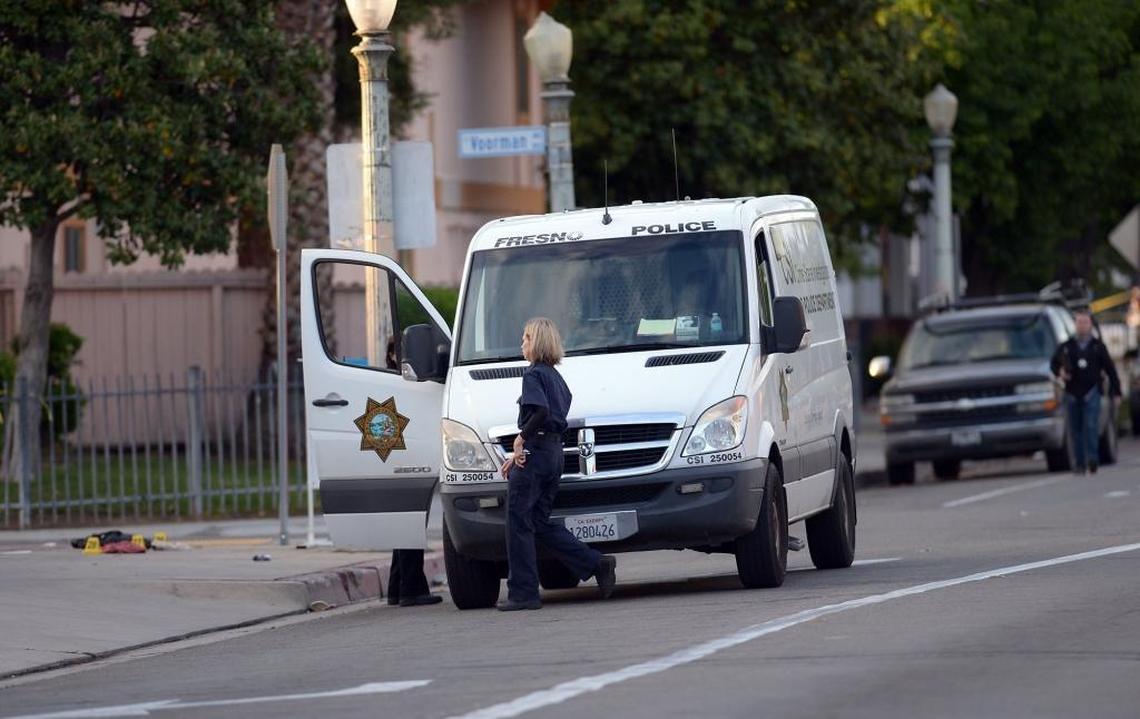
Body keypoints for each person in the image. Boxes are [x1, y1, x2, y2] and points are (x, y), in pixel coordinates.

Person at [497, 317, 617, 611]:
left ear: (536, 342)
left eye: (526, 338)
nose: (522, 344)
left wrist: (520, 441)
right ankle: (596, 563)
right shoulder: (556, 377)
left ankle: (523, 593)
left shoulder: (533, 375)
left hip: (536, 452)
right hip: (554, 455)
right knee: (537, 522)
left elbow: (539, 411)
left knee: (518, 523)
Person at [383, 336, 442, 607]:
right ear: (393, 355)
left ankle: (397, 587)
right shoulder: (401, 384)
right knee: (411, 521)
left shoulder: (392, 382)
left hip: (399, 456)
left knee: (404, 522)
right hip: (406, 457)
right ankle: (411, 588)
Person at [1050, 310, 1122, 474]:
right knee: (1076, 429)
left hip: (1092, 391)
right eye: (1079, 322)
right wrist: (1060, 372)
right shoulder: (1067, 346)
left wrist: (1116, 392)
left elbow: (1110, 369)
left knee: (1091, 426)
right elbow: (1053, 364)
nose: (1082, 326)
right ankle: (1079, 462)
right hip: (1072, 392)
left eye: (1085, 322)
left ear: (1090, 325)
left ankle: (1092, 459)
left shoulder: (1097, 347)